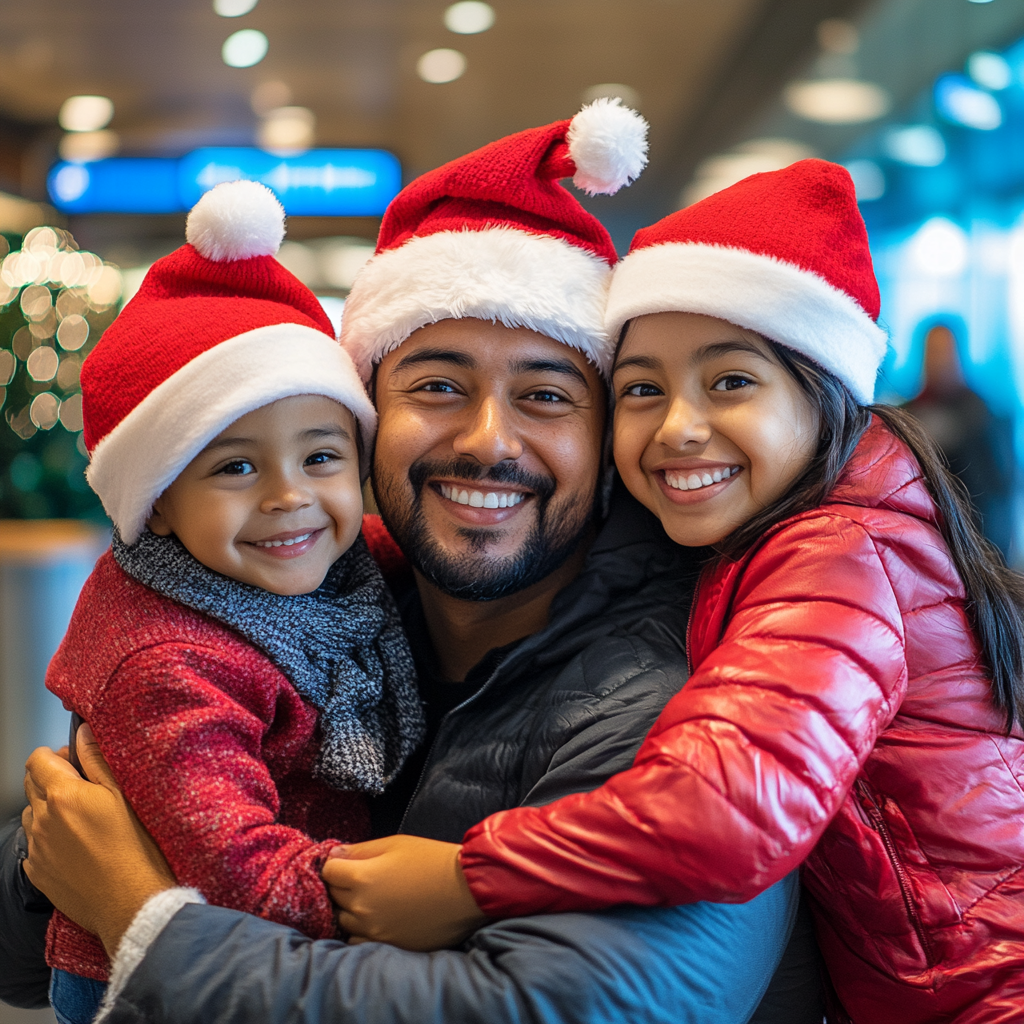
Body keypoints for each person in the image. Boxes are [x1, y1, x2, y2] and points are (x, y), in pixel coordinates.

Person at [6, 104, 816, 1023]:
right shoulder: (309, 601)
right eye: (436, 385)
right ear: (366, 417)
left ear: (606, 440)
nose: (487, 441)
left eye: (547, 394)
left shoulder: (686, 703)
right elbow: (31, 913)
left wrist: (135, 908)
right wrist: (64, 860)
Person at [336, 160, 1024, 1023]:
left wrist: (467, 876)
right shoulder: (785, 544)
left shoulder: (840, 552)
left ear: (824, 393)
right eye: (642, 390)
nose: (680, 426)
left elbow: (729, 807)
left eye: (731, 380)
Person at [38, 179, 424, 1024]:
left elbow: (393, 546)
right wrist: (421, 902)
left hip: (254, 954)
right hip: (149, 977)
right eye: (236, 467)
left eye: (321, 457)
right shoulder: (169, 664)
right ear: (159, 506)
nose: (290, 497)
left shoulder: (322, 568)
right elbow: (238, 871)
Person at [905, 324, 1015, 557]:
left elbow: (999, 489)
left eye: (944, 351)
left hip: (978, 550)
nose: (939, 360)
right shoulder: (907, 417)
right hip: (924, 548)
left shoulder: (984, 417)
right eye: (933, 351)